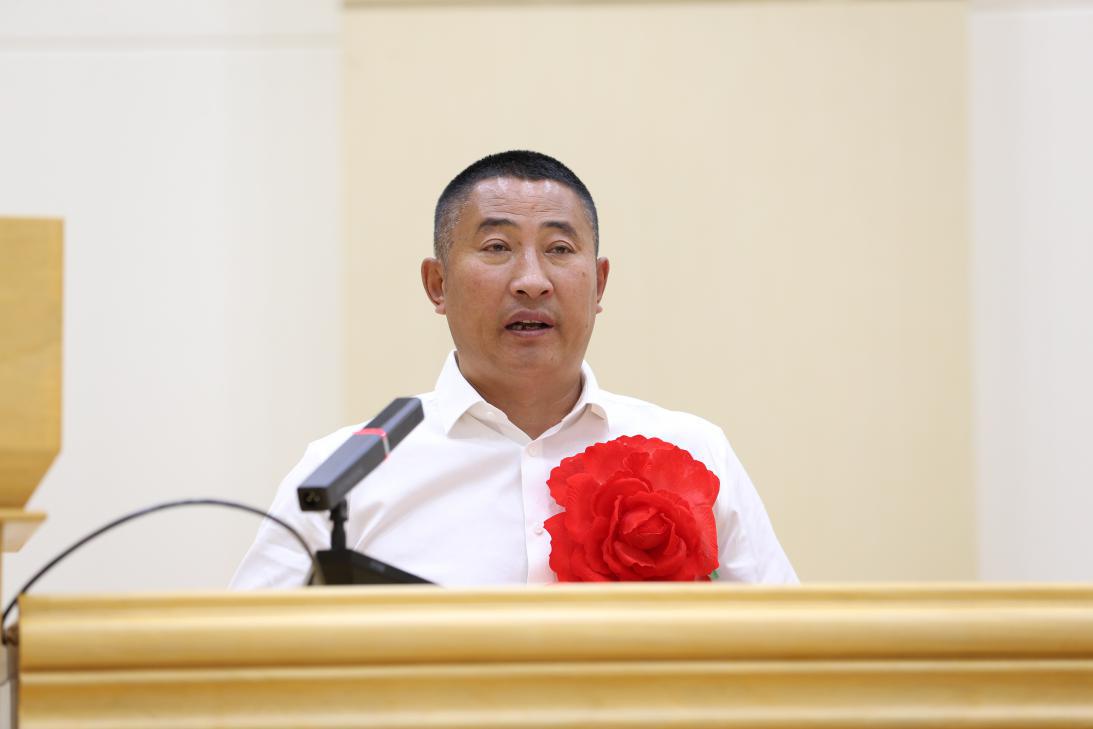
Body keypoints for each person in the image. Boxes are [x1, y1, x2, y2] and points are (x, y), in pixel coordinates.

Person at [232, 150, 796, 588]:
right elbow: (248, 662)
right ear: (437, 284)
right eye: (497, 247)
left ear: (599, 284)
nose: (532, 280)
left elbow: (781, 648)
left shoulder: (694, 452)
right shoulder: (342, 476)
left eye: (559, 249)